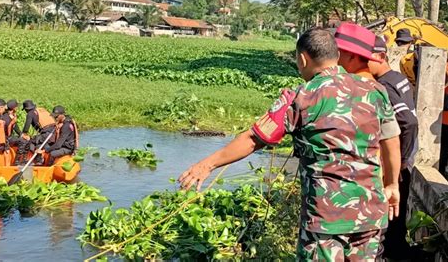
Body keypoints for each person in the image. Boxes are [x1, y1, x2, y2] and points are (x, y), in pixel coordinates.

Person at [179, 28, 401, 261]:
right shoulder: (375, 91)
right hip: (371, 214)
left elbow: (253, 139)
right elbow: (391, 139)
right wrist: (392, 184)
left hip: (326, 220)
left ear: (303, 58)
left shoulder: (300, 97)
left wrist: (207, 164)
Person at [369, 36, 419, 260]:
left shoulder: (384, 86)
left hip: (395, 165)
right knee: (397, 225)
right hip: (404, 162)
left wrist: (399, 161)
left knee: (388, 222)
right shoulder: (399, 77)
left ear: (381, 57)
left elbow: (408, 122)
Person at [22, 100, 56, 165]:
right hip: (54, 132)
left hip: (46, 133)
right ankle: (41, 159)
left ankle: (37, 159)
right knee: (39, 142)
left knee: (32, 141)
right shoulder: (42, 110)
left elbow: (26, 129)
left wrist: (23, 134)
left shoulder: (30, 113)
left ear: (26, 109)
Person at [2, 99, 29, 165]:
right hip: (6, 138)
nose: (17, 107)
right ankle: (18, 161)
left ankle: (23, 158)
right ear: (14, 108)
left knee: (26, 138)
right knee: (23, 141)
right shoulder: (6, 118)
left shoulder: (11, 115)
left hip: (9, 136)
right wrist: (12, 123)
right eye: (17, 106)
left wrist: (21, 134)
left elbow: (15, 126)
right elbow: (8, 133)